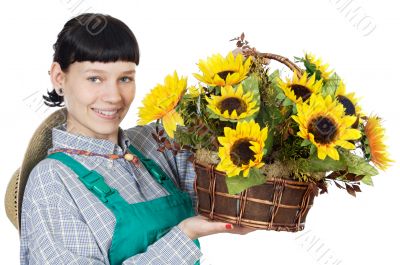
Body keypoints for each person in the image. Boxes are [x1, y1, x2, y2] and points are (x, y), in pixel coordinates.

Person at [19, 13, 256, 265]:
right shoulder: (52, 182)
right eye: (95, 78)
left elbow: (222, 166)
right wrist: (186, 235)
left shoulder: (153, 143)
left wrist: (234, 83)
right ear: (59, 77)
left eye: (125, 78)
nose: (114, 96)